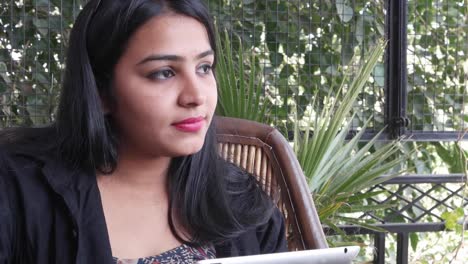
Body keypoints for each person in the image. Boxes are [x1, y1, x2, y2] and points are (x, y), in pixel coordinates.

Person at [0, 0, 287, 263]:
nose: (196, 96)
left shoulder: (245, 206)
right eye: (164, 72)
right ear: (100, 91)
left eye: (204, 68)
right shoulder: (15, 191)